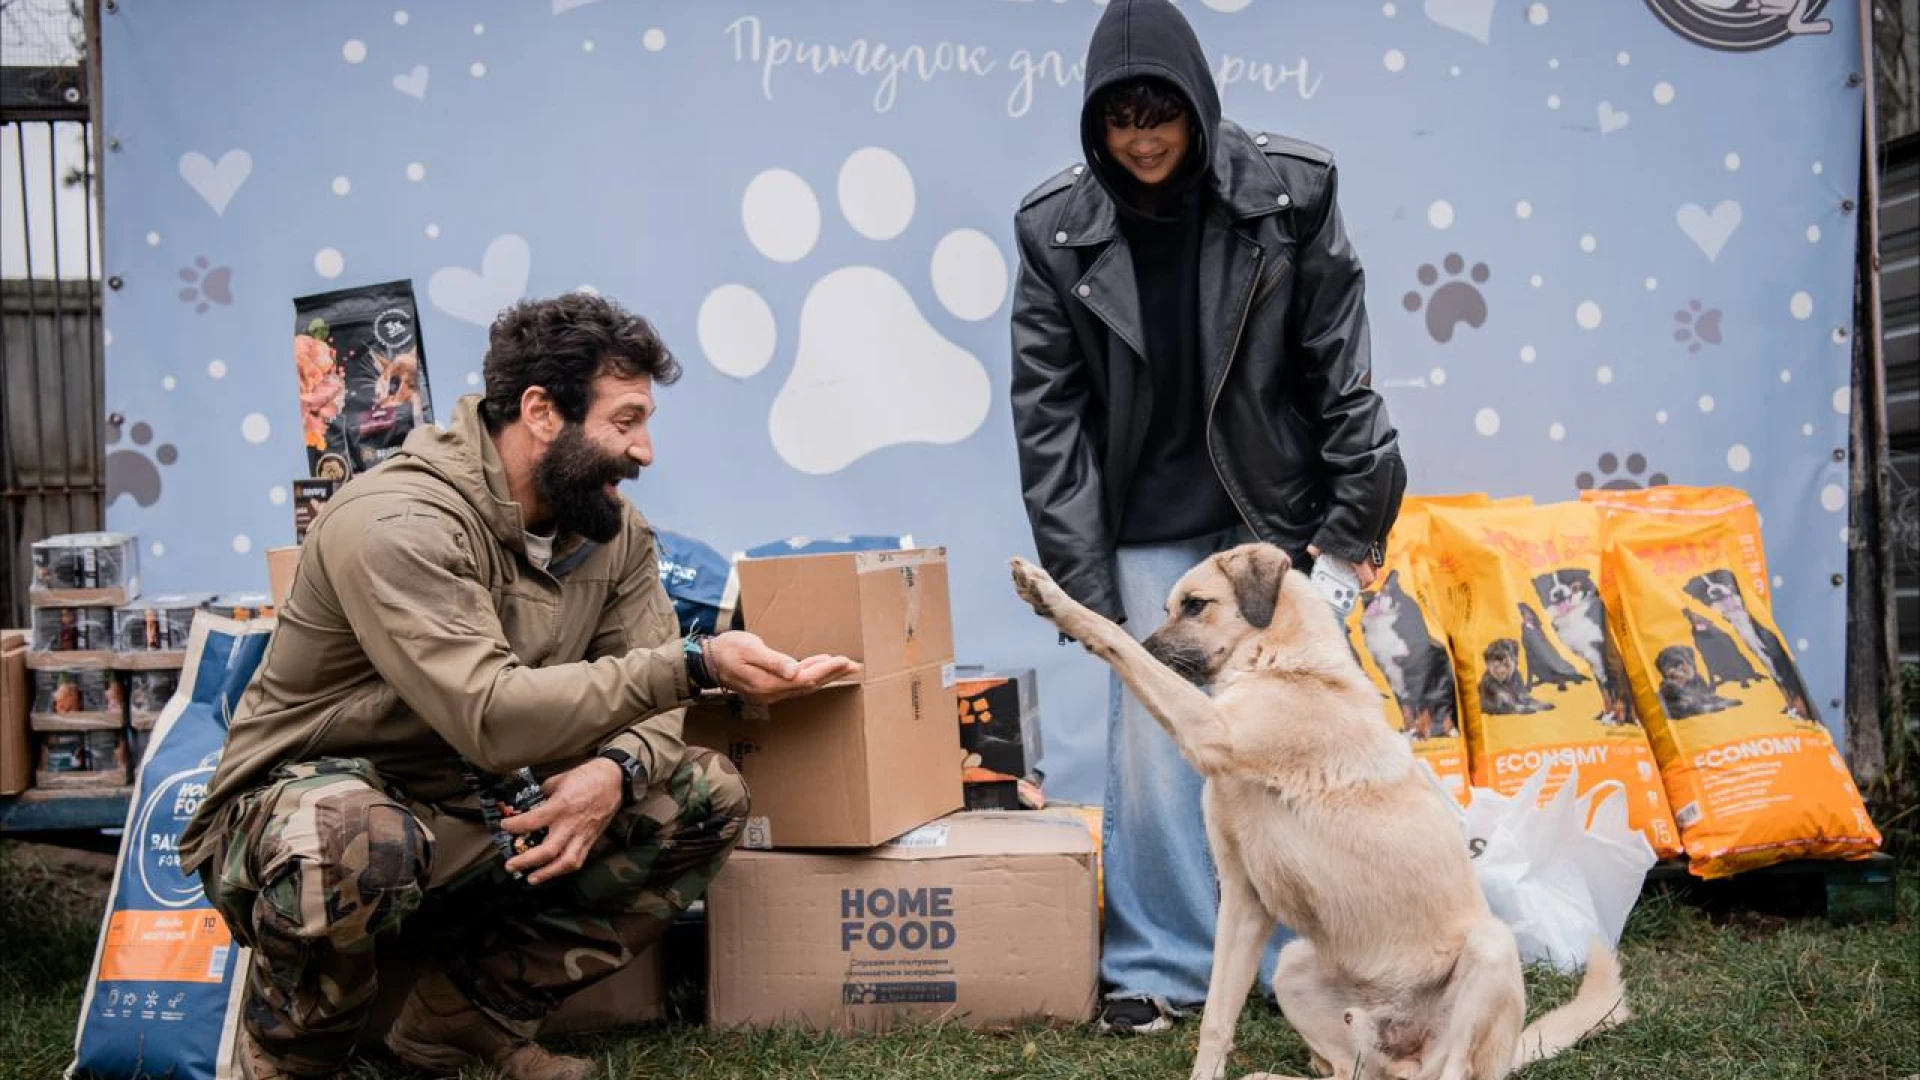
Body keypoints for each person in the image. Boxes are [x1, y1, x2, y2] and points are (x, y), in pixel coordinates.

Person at [179, 293, 858, 1079]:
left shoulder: (608, 528)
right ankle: (293, 1060)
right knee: (355, 834)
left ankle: (460, 1021)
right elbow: (494, 718)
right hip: (299, 817)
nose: (646, 452)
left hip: (471, 811)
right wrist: (697, 659)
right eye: (626, 420)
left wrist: (616, 770)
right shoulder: (400, 521)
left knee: (704, 792)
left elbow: (655, 703)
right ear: (541, 411)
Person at [1009, 0, 1406, 1035]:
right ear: (1093, 124)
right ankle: (1161, 966)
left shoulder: (1292, 192)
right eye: (1118, 119)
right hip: (1142, 524)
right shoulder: (1053, 227)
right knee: (1159, 746)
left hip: (1272, 519)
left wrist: (1347, 536)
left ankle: (1325, 948)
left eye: (1160, 114)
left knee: (1303, 733)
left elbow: (1341, 373)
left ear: (1198, 105)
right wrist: (1088, 600)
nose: (1140, 138)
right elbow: (1046, 419)